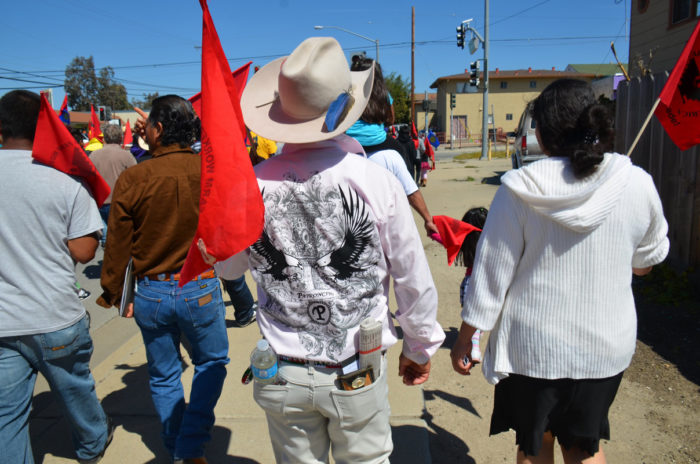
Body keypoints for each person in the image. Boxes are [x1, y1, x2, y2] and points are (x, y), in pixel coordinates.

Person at [206, 37, 445, 463]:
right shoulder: (376, 181)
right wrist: (419, 346)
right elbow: (412, 277)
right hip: (356, 367)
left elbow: (228, 268)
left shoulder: (250, 188)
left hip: (282, 371)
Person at [450, 79, 669, 464]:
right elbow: (645, 264)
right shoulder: (635, 182)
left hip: (534, 351)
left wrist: (467, 336)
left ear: (542, 132)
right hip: (604, 349)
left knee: (536, 445)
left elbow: (490, 276)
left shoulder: (520, 189)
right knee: (585, 447)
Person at [97, 95, 229, 464]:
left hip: (152, 290)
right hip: (199, 285)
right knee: (212, 363)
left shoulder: (134, 177)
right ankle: (190, 445)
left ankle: (180, 447)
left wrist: (114, 293)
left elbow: (118, 245)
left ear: (156, 129)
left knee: (164, 375)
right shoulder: (209, 168)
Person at [0, 90, 113, 464]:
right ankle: (92, 446)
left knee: (7, 416)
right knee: (76, 391)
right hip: (55, 316)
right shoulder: (64, 181)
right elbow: (83, 251)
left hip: (3, 324)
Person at [346, 58, 438, 237]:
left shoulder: (346, 94)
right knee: (401, 156)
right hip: (377, 141)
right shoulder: (383, 95)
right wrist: (428, 219)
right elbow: (390, 120)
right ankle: (400, 194)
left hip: (348, 142)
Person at [89, 124, 136, 246]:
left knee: (105, 231)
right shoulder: (127, 156)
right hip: (120, 201)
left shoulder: (94, 155)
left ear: (105, 137)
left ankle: (107, 255)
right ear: (120, 137)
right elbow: (136, 179)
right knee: (120, 236)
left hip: (100, 200)